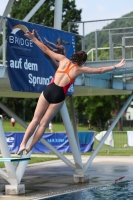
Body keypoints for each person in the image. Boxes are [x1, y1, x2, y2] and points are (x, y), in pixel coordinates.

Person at [17, 29, 125, 155]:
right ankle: (30, 148)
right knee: (43, 124)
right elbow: (100, 70)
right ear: (82, 61)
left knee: (35, 120)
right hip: (59, 95)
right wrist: (115, 66)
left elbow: (46, 50)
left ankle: (22, 144)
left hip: (50, 89)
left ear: (74, 56)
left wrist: (34, 38)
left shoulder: (62, 59)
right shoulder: (79, 69)